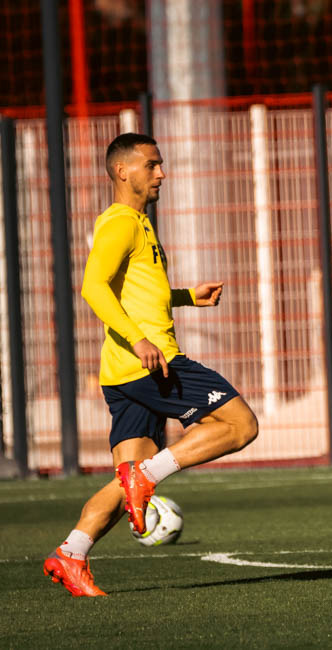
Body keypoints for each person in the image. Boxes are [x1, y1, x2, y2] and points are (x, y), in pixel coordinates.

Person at [43, 134, 259, 597]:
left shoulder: (138, 223)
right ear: (123, 171)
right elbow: (93, 286)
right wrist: (139, 339)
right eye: (151, 165)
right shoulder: (121, 222)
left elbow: (137, 292)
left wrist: (187, 296)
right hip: (150, 362)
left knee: (125, 484)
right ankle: (144, 478)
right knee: (241, 425)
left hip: (123, 372)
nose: (161, 173)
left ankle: (71, 554)